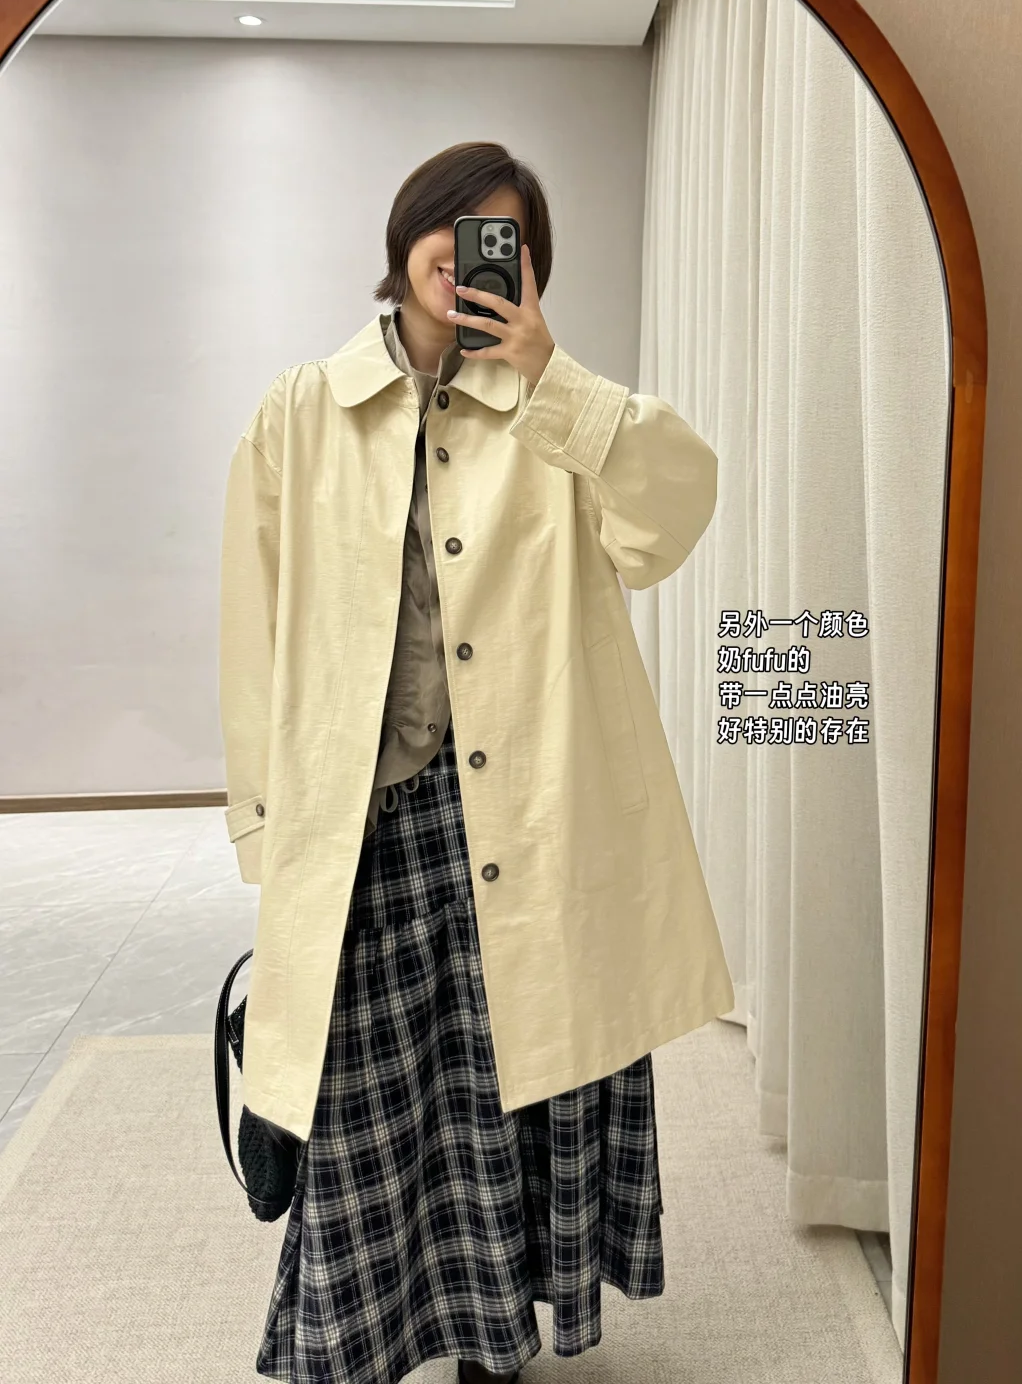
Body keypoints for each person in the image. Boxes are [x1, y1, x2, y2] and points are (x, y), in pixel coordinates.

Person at [221, 138, 734, 1384]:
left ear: (528, 267)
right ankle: (361, 1335)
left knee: (509, 1095)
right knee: (369, 1096)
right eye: (451, 221)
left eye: (501, 235)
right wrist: (263, 831)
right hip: (365, 824)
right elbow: (252, 625)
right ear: (407, 233)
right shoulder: (302, 410)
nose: (466, 248)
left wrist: (552, 373)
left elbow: (675, 515)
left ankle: (492, 1345)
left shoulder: (558, 416)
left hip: (529, 819)